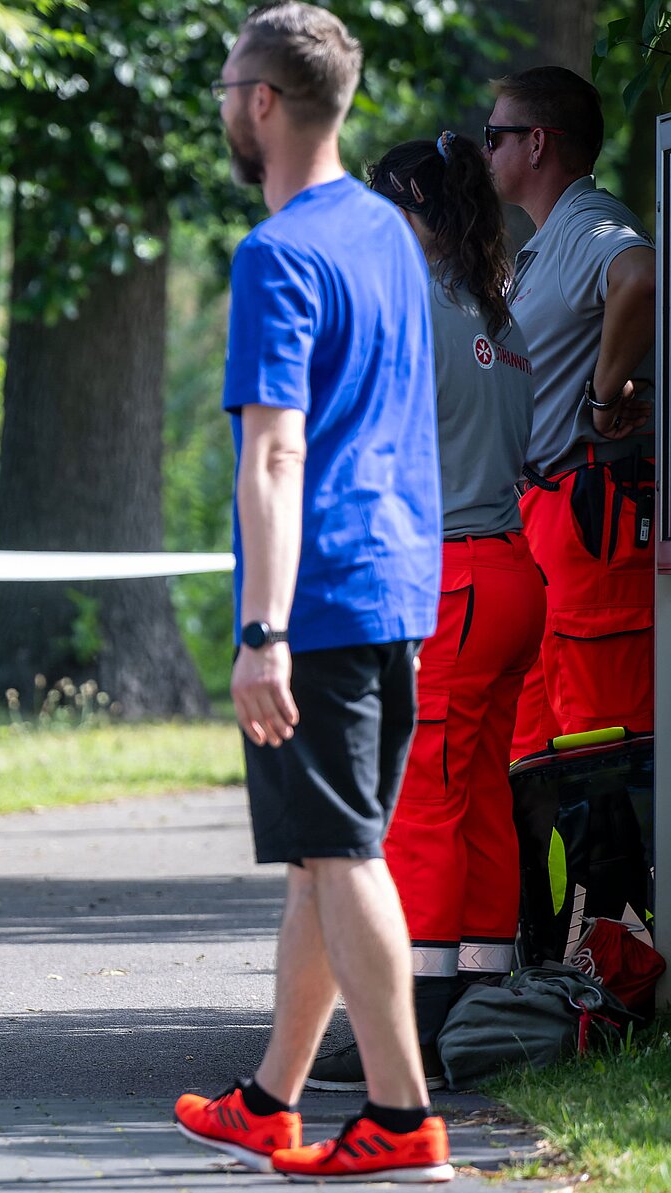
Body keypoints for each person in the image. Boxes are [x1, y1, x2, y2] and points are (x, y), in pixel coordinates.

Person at [171, 2, 452, 1183]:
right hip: (398, 579)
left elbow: (275, 452)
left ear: (265, 104)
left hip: (320, 596)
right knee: (320, 855)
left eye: (232, 85)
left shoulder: (276, 254)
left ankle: (400, 1116)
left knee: (341, 853)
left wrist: (262, 632)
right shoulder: (385, 230)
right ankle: (271, 1098)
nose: (225, 104)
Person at [301, 133, 545, 1093]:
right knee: (480, 790)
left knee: (423, 805)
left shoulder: (403, 310)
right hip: (509, 572)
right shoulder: (499, 316)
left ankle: (413, 1017)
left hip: (443, 578)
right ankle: (484, 998)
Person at [487, 67, 656, 761]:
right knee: (539, 755)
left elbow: (640, 275)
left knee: (601, 753)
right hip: (549, 518)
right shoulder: (549, 241)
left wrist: (602, 392)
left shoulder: (590, 222)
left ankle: (613, 877)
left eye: (494, 136)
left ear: (536, 145)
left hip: (591, 511)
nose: (484, 151)